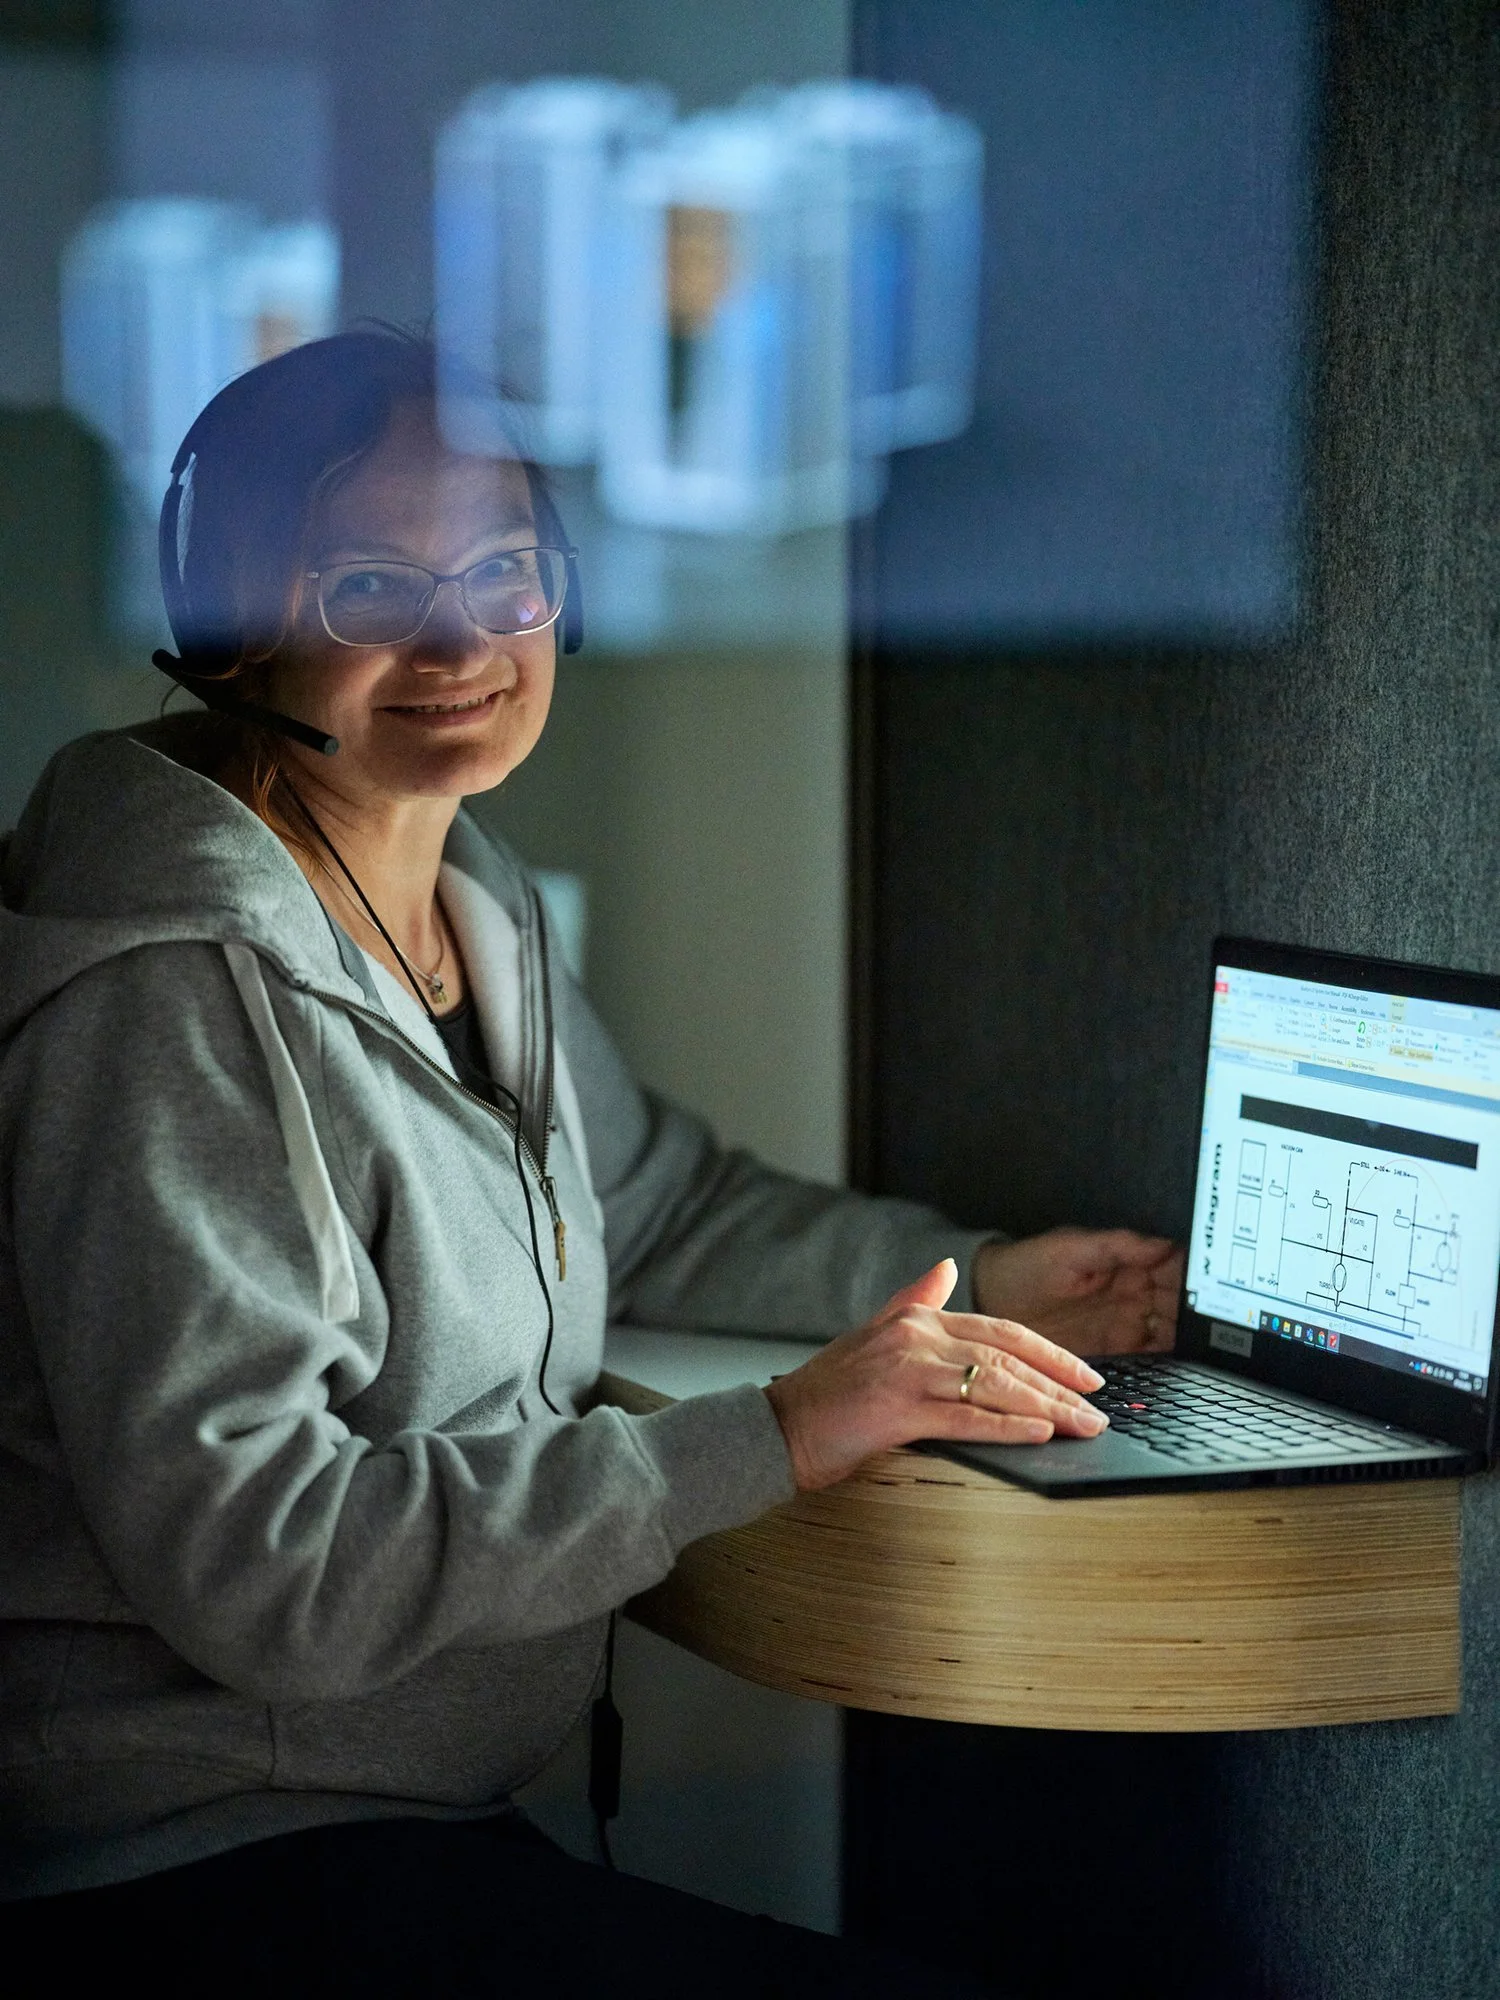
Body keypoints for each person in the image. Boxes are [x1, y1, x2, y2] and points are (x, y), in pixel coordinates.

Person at [0, 331, 1180, 1990]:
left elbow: (644, 1202)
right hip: (201, 1864)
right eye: (365, 584)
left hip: (396, 1829)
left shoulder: (463, 896)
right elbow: (265, 1567)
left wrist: (973, 1273)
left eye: (503, 567)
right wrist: (764, 1438)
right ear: (227, 631)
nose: (460, 638)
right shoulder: (171, 998)